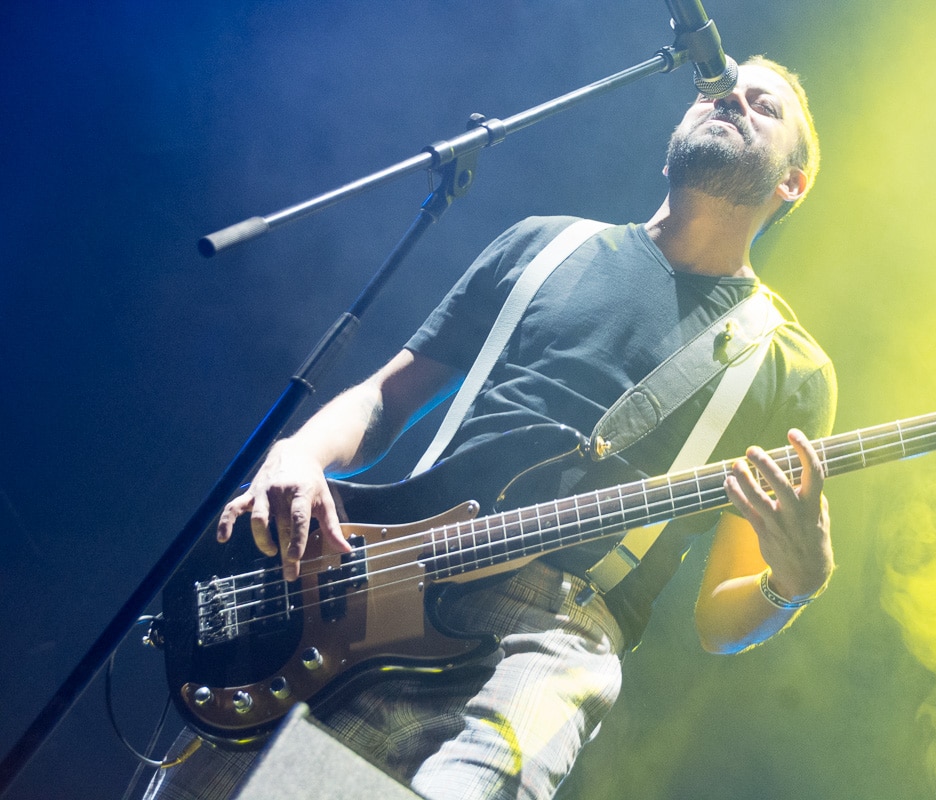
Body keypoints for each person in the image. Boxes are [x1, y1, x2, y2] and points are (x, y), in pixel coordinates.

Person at [144, 55, 837, 800]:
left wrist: (793, 585)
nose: (730, 99)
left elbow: (717, 620)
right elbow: (383, 402)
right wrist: (297, 455)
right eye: (720, 90)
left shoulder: (788, 366)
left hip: (550, 635)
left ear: (791, 183)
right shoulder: (545, 244)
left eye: (763, 105)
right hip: (383, 577)